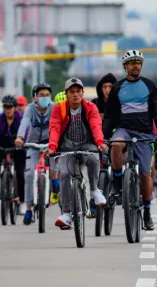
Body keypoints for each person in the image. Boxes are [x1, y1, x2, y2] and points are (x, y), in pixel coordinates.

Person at [104, 50, 157, 231]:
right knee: (116, 145)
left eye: (138, 63)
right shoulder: (117, 87)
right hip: (124, 130)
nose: (136, 66)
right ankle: (117, 181)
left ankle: (147, 212)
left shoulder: (149, 85)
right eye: (132, 63)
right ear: (125, 67)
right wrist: (104, 136)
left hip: (145, 133)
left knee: (145, 174)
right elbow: (109, 115)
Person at [47, 77, 108, 229]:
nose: (75, 94)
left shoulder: (90, 107)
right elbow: (54, 127)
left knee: (94, 160)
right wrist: (53, 146)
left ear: (83, 93)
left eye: (78, 91)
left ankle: (94, 190)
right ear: (66, 94)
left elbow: (95, 125)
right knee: (65, 175)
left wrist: (100, 143)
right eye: (72, 92)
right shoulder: (59, 108)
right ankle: (66, 213)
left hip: (87, 144)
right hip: (65, 146)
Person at [15, 83, 59, 225]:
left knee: (54, 170)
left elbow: (58, 124)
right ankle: (28, 209)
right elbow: (25, 122)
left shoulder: (54, 108)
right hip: (32, 144)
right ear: (35, 97)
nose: (45, 97)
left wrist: (57, 141)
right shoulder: (29, 108)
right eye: (41, 95)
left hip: (50, 143)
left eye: (47, 95)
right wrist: (20, 137)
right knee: (28, 175)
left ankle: (54, 184)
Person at [0, 95, 27, 214]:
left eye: (10, 107)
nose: (8, 109)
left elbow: (25, 130)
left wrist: (24, 141)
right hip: (2, 145)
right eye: (6, 107)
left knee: (21, 175)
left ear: (14, 108)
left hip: (17, 146)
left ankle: (22, 202)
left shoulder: (20, 117)